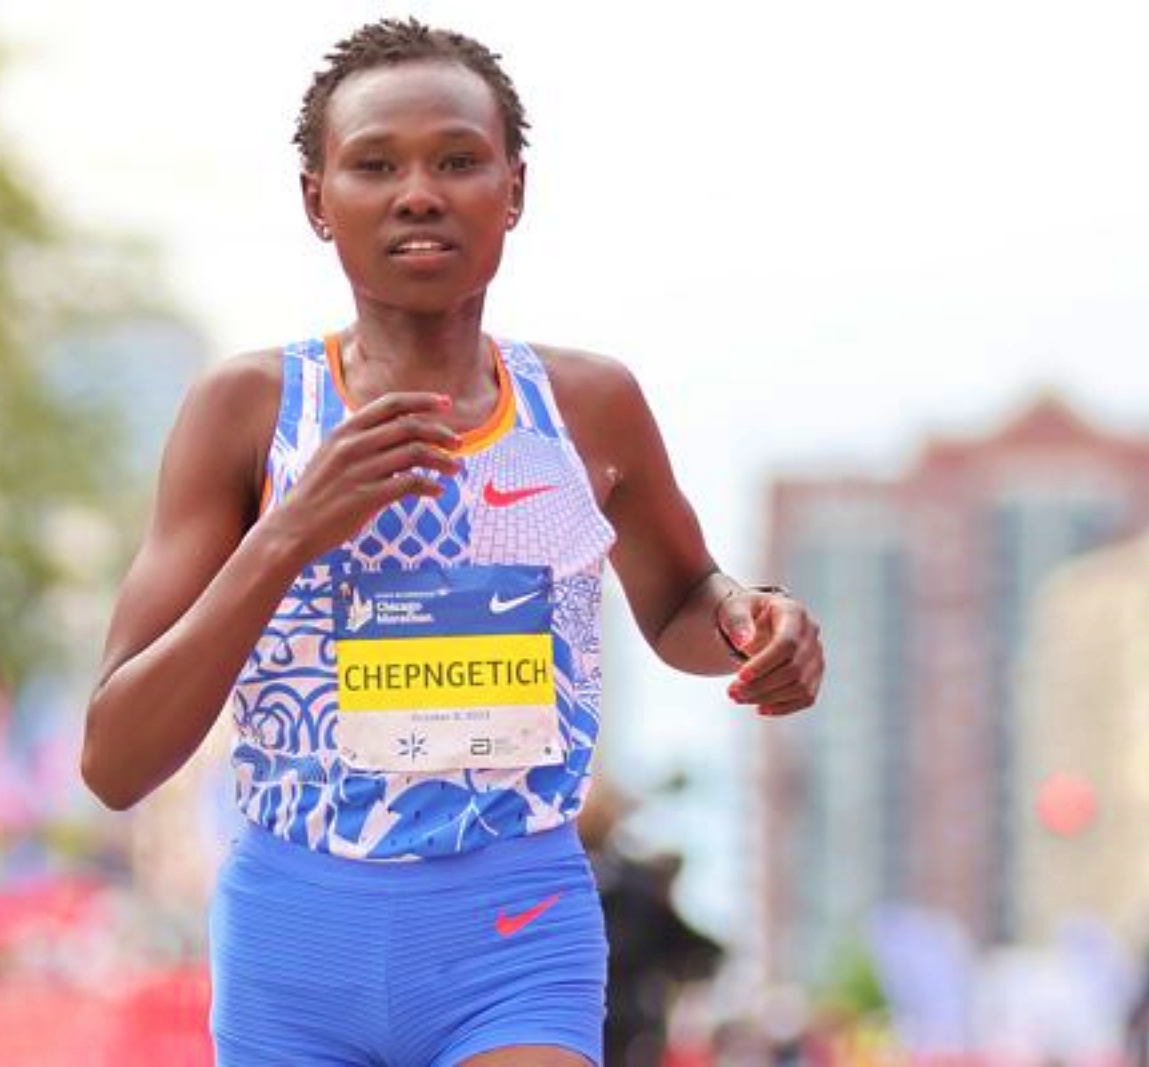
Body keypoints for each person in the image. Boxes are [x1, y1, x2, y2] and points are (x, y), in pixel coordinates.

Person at [80, 18, 826, 1067]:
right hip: (298, 938)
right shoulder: (247, 410)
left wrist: (751, 620)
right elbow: (116, 757)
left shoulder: (589, 405)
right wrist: (289, 530)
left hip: (512, 922)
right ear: (316, 200)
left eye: (458, 160)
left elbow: (680, 601)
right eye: (374, 164)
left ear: (513, 190)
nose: (418, 192)